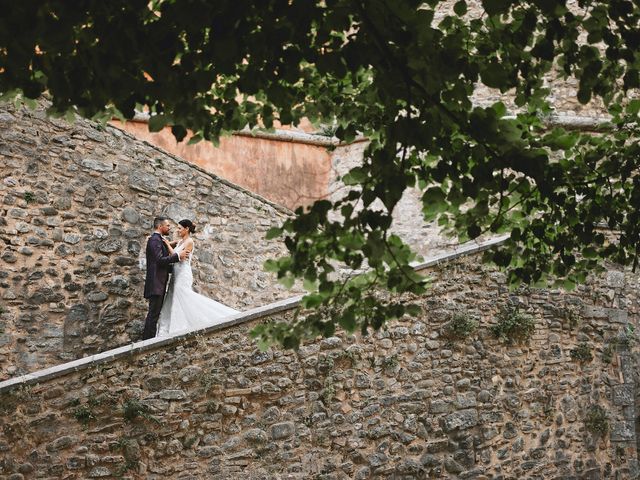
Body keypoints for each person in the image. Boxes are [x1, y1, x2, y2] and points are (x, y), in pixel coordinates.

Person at [156, 219, 238, 336]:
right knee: (172, 298)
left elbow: (178, 256)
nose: (178, 230)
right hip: (175, 274)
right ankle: (168, 330)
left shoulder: (189, 242)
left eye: (180, 228)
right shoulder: (180, 242)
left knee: (183, 297)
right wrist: (161, 240)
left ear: (186, 229)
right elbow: (166, 243)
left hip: (183, 274)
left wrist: (168, 245)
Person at [142, 217, 189, 340]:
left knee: (155, 314)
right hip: (156, 283)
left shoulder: (158, 240)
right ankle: (147, 342)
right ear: (160, 227)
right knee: (153, 315)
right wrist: (178, 256)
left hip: (159, 283)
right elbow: (159, 260)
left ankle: (148, 341)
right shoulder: (154, 240)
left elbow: (170, 245)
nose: (170, 228)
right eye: (167, 226)